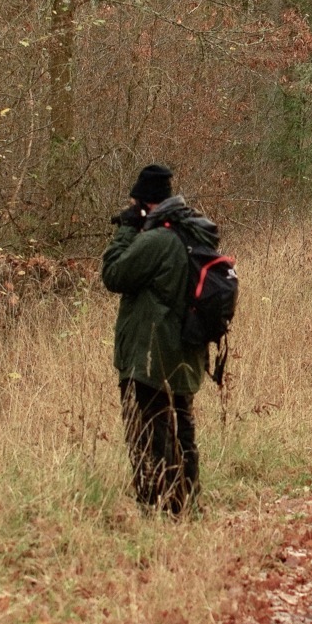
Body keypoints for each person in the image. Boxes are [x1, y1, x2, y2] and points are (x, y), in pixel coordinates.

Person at [101, 163, 221, 515]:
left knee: (147, 435)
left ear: (145, 203)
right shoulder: (194, 233)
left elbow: (113, 274)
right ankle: (187, 503)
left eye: (136, 203)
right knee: (181, 432)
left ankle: (156, 508)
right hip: (185, 352)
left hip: (151, 358)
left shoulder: (157, 240)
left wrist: (125, 229)